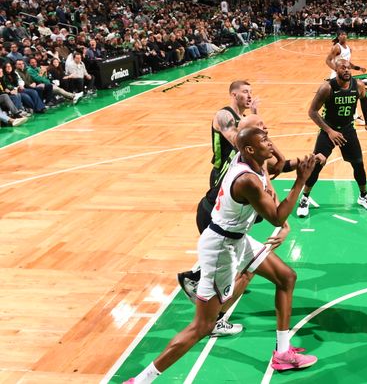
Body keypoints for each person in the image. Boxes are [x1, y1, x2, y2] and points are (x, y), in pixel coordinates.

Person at [125, 128, 319, 383]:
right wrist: (300, 180)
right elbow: (276, 216)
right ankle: (141, 380)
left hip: (236, 237)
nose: (270, 143)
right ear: (249, 149)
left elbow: (277, 164)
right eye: (264, 141)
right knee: (202, 326)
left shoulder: (248, 160)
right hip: (222, 247)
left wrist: (278, 150)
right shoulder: (246, 179)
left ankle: (282, 353)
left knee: (286, 277)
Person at [177, 114, 326, 333]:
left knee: (273, 273)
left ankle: (203, 290)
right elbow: (276, 187)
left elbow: (281, 166)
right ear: (248, 142)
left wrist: (309, 159)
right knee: (243, 272)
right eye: (260, 129)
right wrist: (299, 182)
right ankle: (208, 309)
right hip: (213, 219)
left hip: (223, 221)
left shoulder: (252, 158)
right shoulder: (250, 171)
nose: (265, 130)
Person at [297, 58, 367, 218]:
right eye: (343, 68)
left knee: (358, 164)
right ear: (336, 70)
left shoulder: (359, 85)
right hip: (329, 130)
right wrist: (329, 131)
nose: (347, 70)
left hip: (348, 129)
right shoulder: (327, 88)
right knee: (317, 163)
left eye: (348, 68)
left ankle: (363, 196)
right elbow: (312, 112)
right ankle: (305, 197)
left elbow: (364, 100)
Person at [210, 80, 259, 188]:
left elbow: (257, 141)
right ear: (234, 94)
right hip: (223, 172)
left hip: (240, 170)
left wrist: (254, 115)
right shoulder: (223, 115)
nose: (250, 96)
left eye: (251, 92)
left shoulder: (245, 119)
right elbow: (238, 142)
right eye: (245, 92)